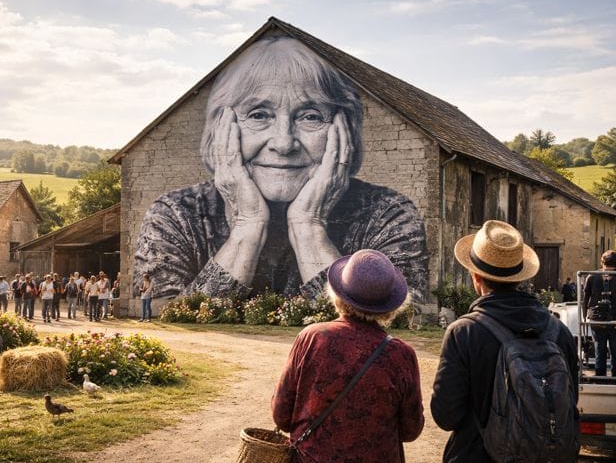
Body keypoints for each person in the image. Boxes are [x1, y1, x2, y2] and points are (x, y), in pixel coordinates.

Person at [134, 36, 428, 306]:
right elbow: (169, 321)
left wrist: (309, 226)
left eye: (310, 116)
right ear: (219, 129)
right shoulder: (175, 214)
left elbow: (392, 321)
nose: (284, 143)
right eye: (259, 115)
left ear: (345, 131)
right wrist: (247, 225)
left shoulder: (388, 214)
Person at [431, 220, 578, 463]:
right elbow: (567, 401)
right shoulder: (557, 331)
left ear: (476, 277)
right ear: (521, 275)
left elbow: (446, 416)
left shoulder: (464, 332)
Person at [272, 249, 424, 463]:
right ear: (390, 305)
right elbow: (411, 429)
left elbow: (281, 414)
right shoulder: (401, 354)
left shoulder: (312, 338)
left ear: (340, 295)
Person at [583, 250, 616, 377]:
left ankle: (600, 376)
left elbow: (585, 299)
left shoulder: (591, 276)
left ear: (602, 261)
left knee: (599, 348)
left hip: (596, 317)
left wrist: (585, 316)